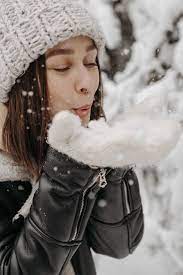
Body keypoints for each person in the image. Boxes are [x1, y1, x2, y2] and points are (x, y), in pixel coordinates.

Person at [0, 0, 146, 274]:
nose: (87, 83)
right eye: (62, 67)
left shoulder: (59, 138)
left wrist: (111, 164)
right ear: (18, 83)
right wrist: (64, 175)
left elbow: (118, 244)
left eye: (90, 62)